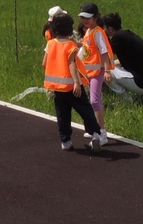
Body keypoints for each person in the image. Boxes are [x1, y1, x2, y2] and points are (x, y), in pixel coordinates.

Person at [43, 12, 102, 152]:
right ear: (70, 29)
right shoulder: (71, 45)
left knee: (62, 114)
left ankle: (66, 141)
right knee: (85, 110)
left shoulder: (50, 44)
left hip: (58, 88)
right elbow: (72, 64)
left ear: (53, 29)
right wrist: (76, 82)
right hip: (72, 86)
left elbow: (44, 63)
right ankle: (95, 133)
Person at [76, 2, 114, 146]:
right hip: (90, 72)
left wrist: (108, 71)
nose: (85, 20)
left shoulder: (98, 32)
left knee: (95, 100)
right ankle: (95, 129)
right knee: (91, 101)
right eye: (82, 17)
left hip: (98, 71)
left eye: (88, 17)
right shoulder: (89, 31)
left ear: (96, 17)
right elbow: (88, 49)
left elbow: (104, 53)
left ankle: (102, 133)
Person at [103, 12, 143, 99]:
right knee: (111, 66)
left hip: (142, 85)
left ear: (110, 29)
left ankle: (127, 100)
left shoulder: (118, 38)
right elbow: (122, 61)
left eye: (104, 28)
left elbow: (104, 58)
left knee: (105, 70)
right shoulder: (127, 35)